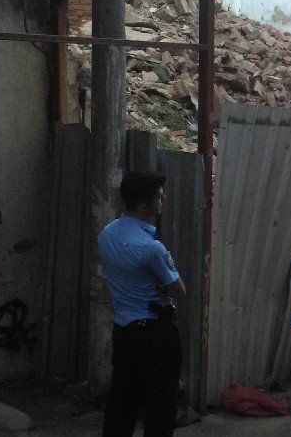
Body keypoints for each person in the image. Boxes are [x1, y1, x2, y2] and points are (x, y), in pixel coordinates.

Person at [99, 171, 186, 437]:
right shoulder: (151, 248)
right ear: (144, 203)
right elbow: (180, 291)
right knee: (160, 404)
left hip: (124, 330)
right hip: (155, 335)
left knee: (123, 399)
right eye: (159, 194)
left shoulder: (107, 234)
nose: (164, 198)